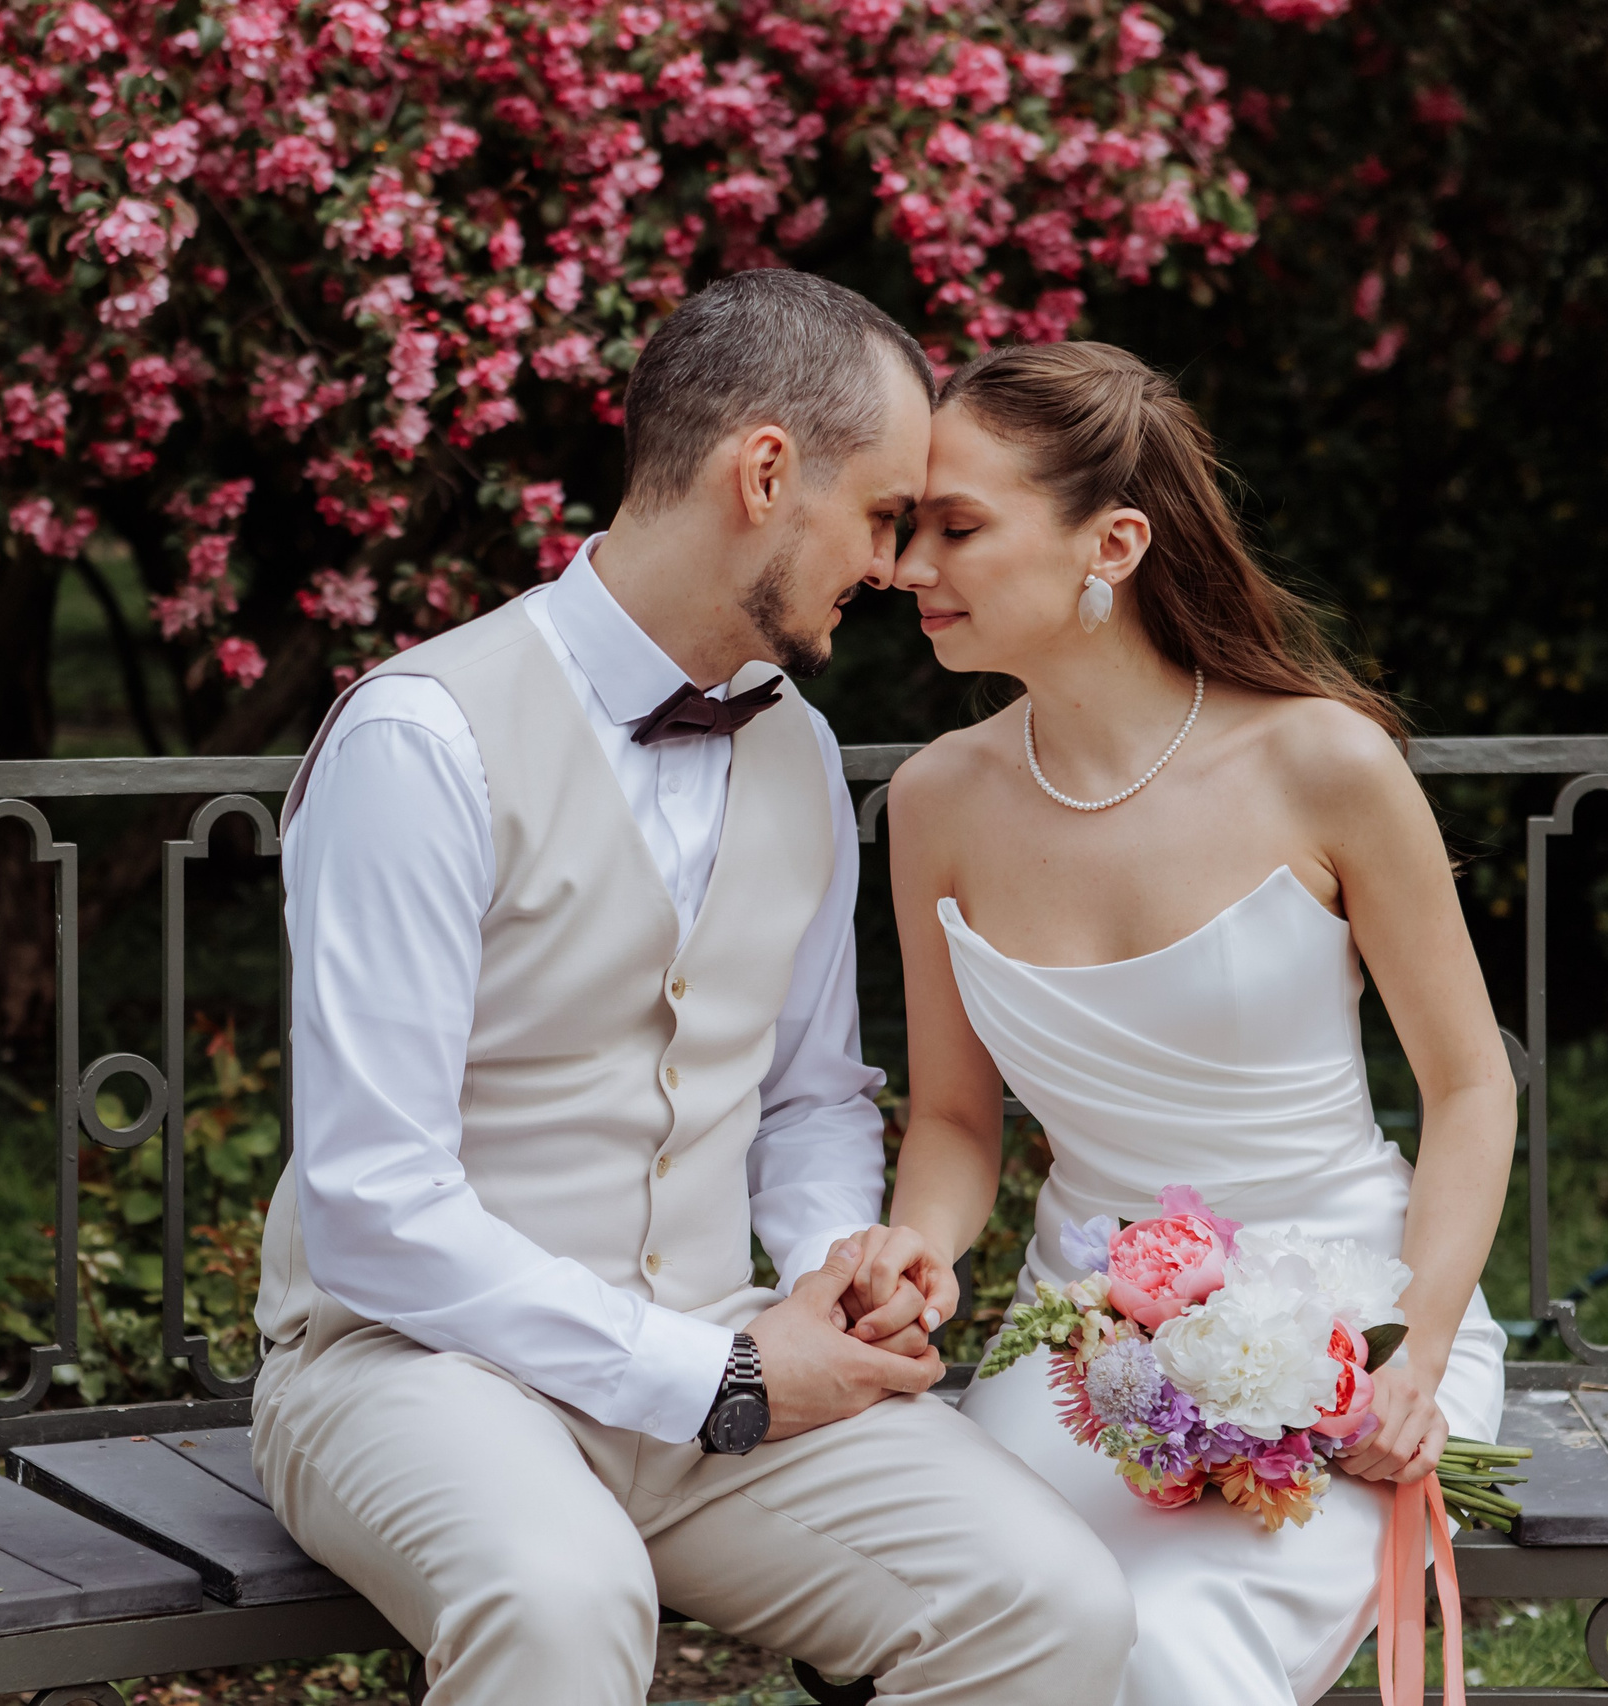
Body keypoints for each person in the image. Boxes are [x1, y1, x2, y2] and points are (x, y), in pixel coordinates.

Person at [250, 272, 1132, 1706]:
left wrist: (832, 1269)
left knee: (1048, 1604)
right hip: (409, 1373)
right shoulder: (422, 740)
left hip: (723, 1351)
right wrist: (709, 1372)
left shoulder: (797, 746)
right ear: (766, 473)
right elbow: (372, 1206)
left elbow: (805, 1097)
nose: (904, 565)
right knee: (561, 1597)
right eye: (886, 515)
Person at [859, 340, 1514, 1705]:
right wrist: (916, 1250)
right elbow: (957, 1121)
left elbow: (1468, 1087)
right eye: (911, 530)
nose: (912, 568)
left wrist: (1423, 1353)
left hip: (1347, 1336)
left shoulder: (1323, 761)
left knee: (1171, 1658)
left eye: (959, 528)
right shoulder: (934, 801)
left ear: (1114, 541)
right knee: (1002, 1627)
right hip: (1075, 1354)